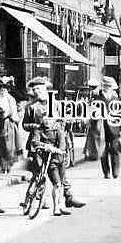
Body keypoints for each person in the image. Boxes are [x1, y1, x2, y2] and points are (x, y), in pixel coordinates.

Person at [23, 77, 85, 209]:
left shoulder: (56, 104)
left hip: (55, 142)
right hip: (38, 144)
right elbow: (24, 125)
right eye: (34, 89)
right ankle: (40, 199)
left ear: (45, 88)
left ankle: (69, 197)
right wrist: (35, 126)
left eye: (39, 88)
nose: (37, 91)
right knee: (39, 171)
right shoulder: (31, 107)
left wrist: (61, 137)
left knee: (60, 171)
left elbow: (62, 122)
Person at [30, 116, 71, 216]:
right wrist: (45, 146)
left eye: (50, 119)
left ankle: (61, 206)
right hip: (49, 161)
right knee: (56, 183)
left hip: (60, 159)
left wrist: (58, 149)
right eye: (45, 119)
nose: (47, 121)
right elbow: (35, 141)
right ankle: (56, 208)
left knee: (61, 183)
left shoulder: (58, 130)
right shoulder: (39, 131)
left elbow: (62, 145)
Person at [85, 76, 121, 179]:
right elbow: (92, 112)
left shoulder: (115, 98)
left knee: (115, 148)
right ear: (104, 86)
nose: (109, 88)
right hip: (101, 128)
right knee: (103, 150)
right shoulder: (98, 98)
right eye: (108, 86)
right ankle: (106, 172)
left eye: (110, 86)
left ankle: (115, 171)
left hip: (114, 127)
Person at [0, 76, 19, 174]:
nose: (3, 91)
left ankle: (8, 166)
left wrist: (8, 114)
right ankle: (0, 165)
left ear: (8, 90)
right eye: (1, 89)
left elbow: (14, 114)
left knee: (8, 146)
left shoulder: (11, 99)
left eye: (5, 89)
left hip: (7, 124)